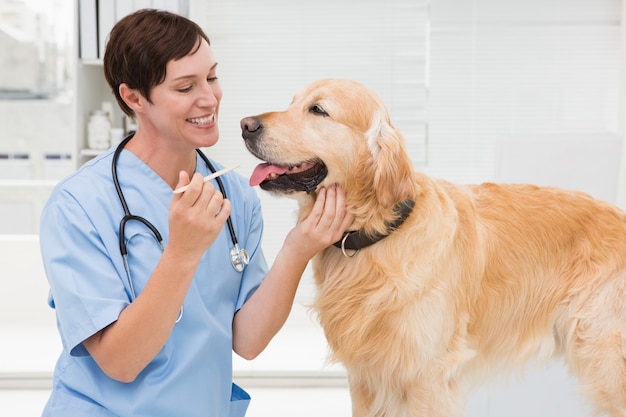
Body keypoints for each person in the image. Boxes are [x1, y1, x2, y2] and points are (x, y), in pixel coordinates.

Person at [39, 9, 353, 417]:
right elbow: (119, 362)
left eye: (212, 77)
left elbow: (249, 340)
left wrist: (297, 250)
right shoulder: (79, 205)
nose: (210, 98)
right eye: (185, 87)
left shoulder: (234, 193)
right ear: (133, 97)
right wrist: (182, 252)